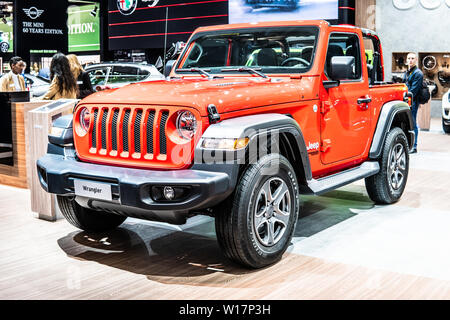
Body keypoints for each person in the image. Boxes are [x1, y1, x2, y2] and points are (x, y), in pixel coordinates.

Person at [403, 52, 423, 154]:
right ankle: (408, 144)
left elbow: (413, 91)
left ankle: (414, 147)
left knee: (413, 123)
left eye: (412, 58)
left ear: (416, 60)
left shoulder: (418, 73)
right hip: (407, 101)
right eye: (409, 58)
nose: (410, 60)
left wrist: (405, 94)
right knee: (408, 123)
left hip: (413, 102)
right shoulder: (408, 72)